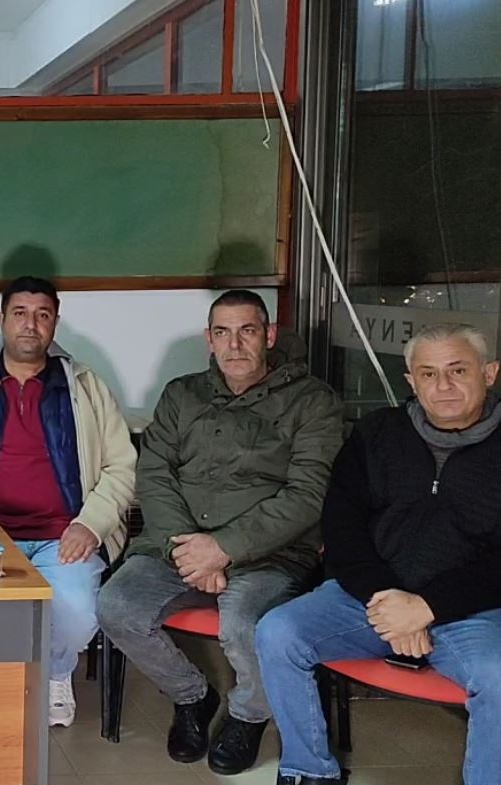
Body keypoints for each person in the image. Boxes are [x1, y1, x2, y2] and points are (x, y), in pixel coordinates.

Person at [96, 290, 343, 776]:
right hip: (177, 547)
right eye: (223, 333)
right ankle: (192, 696)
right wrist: (188, 549)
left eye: (247, 331)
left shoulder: (313, 401)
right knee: (115, 605)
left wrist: (223, 548)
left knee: (245, 624)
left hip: (270, 553)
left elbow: (308, 494)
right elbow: (155, 474)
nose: (235, 345)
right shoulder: (182, 394)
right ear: (208, 339)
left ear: (268, 335)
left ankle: (248, 715)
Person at [257, 323, 501, 785]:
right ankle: (309, 770)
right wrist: (388, 599)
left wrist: (427, 607)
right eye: (428, 374)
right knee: (278, 632)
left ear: (489, 374)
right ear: (411, 381)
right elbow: (341, 525)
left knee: (499, 676)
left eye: (458, 370)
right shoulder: (378, 432)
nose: (443, 385)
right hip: (372, 599)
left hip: (471, 611)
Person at [0, 276, 136, 728]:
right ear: (1, 319)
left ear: (55, 322)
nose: (30, 325)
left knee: (77, 613)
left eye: (42, 315)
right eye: (20, 313)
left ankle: (55, 675)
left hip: (65, 536)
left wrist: (91, 524)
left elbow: (122, 465)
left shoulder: (85, 386)